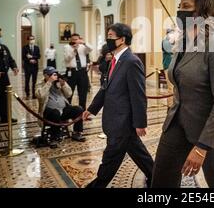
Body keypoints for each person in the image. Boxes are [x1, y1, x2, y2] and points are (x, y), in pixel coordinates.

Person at [151, 0, 214, 188]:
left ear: (203, 12)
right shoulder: (181, 44)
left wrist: (202, 147)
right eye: (179, 7)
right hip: (176, 123)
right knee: (161, 179)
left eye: (186, 7)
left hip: (209, 129)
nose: (180, 11)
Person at [83, 23, 153, 188]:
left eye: (111, 36)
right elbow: (105, 88)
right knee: (139, 154)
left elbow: (138, 95)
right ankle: (156, 176)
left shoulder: (131, 62)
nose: (108, 39)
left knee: (110, 160)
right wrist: (92, 109)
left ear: (122, 39)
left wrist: (140, 123)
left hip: (122, 122)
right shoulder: (114, 60)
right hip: (115, 120)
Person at [35, 66, 85, 142]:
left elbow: (69, 94)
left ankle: (77, 132)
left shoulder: (58, 82)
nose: (54, 76)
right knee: (55, 113)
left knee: (78, 109)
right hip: (48, 113)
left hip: (63, 110)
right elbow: (40, 96)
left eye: (55, 74)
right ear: (46, 75)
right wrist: (49, 82)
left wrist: (63, 85)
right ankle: (55, 136)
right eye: (52, 74)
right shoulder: (40, 84)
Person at [0, 28, 19, 124]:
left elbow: (10, 59)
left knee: (5, 98)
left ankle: (5, 118)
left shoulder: (4, 47)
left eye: (0, 37)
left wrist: (14, 67)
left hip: (4, 77)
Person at [63, 33, 92, 110]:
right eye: (73, 39)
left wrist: (84, 43)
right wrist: (74, 50)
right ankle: (67, 112)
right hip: (71, 72)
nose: (75, 41)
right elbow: (67, 58)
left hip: (82, 72)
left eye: (77, 39)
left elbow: (91, 49)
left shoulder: (83, 47)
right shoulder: (67, 47)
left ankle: (82, 113)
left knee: (83, 94)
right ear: (71, 40)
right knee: (69, 93)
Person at [22, 35, 40, 100]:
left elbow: (38, 56)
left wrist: (32, 57)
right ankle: (27, 94)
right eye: (30, 39)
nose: (32, 40)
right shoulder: (25, 48)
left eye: (33, 39)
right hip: (27, 67)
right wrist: (29, 60)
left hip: (35, 67)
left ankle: (34, 94)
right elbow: (23, 57)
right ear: (28, 40)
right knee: (27, 81)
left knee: (34, 81)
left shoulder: (37, 47)